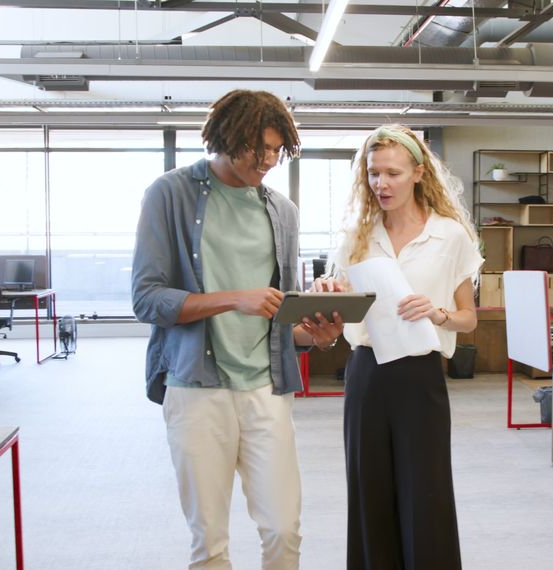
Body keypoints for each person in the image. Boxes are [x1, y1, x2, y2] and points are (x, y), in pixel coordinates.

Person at [132, 89, 343, 570]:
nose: (267, 160)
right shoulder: (171, 194)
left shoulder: (281, 211)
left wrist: (320, 334)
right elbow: (147, 299)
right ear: (225, 136)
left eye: (276, 150)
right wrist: (233, 298)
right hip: (196, 389)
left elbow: (281, 319)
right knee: (209, 542)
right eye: (257, 148)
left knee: (284, 530)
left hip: (266, 389)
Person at [319, 124, 483, 569]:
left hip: (420, 373)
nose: (381, 184)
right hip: (366, 371)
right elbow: (342, 310)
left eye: (392, 173)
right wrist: (331, 291)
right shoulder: (356, 234)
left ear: (418, 172)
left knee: (424, 490)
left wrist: (438, 313)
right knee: (368, 487)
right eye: (373, 174)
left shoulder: (450, 236)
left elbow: (469, 319)